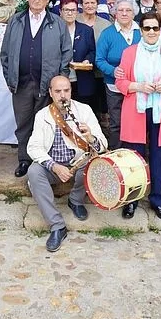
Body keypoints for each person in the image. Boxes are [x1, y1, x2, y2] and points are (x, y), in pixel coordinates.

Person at [115, 12, 161, 220]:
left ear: (160, 30)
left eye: (155, 28)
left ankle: (158, 200)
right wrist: (137, 86)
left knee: (158, 157)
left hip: (160, 110)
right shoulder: (129, 53)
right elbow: (120, 82)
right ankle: (131, 200)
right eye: (147, 28)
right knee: (134, 158)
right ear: (141, 30)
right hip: (136, 110)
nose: (151, 32)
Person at [26, 75, 107, 252]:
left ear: (71, 91)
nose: (63, 95)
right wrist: (54, 166)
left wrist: (90, 137)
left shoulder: (84, 110)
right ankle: (57, 225)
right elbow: (33, 147)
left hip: (77, 163)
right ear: (50, 93)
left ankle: (75, 200)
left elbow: (102, 145)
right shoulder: (42, 115)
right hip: (53, 167)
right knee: (33, 172)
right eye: (58, 91)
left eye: (66, 90)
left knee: (93, 161)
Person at [0, 0, 72, 177]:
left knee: (46, 123)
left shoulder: (57, 23)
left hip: (47, 85)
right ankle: (24, 159)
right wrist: (9, 77)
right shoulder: (16, 20)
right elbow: (5, 53)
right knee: (23, 123)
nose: (37, 0)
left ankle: (43, 162)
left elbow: (66, 53)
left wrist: (59, 82)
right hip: (21, 84)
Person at [95, 0, 141, 149]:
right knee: (117, 123)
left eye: (128, 10)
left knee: (136, 122)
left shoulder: (141, 32)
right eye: (120, 10)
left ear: (134, 12)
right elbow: (99, 60)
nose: (124, 13)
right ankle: (117, 154)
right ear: (115, 13)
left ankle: (135, 154)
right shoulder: (107, 33)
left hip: (137, 86)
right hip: (114, 86)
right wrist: (113, 70)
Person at [59, 0, 96, 110]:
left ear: (77, 11)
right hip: (60, 80)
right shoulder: (53, 30)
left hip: (81, 80)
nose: (70, 13)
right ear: (60, 11)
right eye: (66, 10)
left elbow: (92, 51)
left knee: (81, 113)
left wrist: (88, 60)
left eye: (73, 10)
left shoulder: (86, 30)